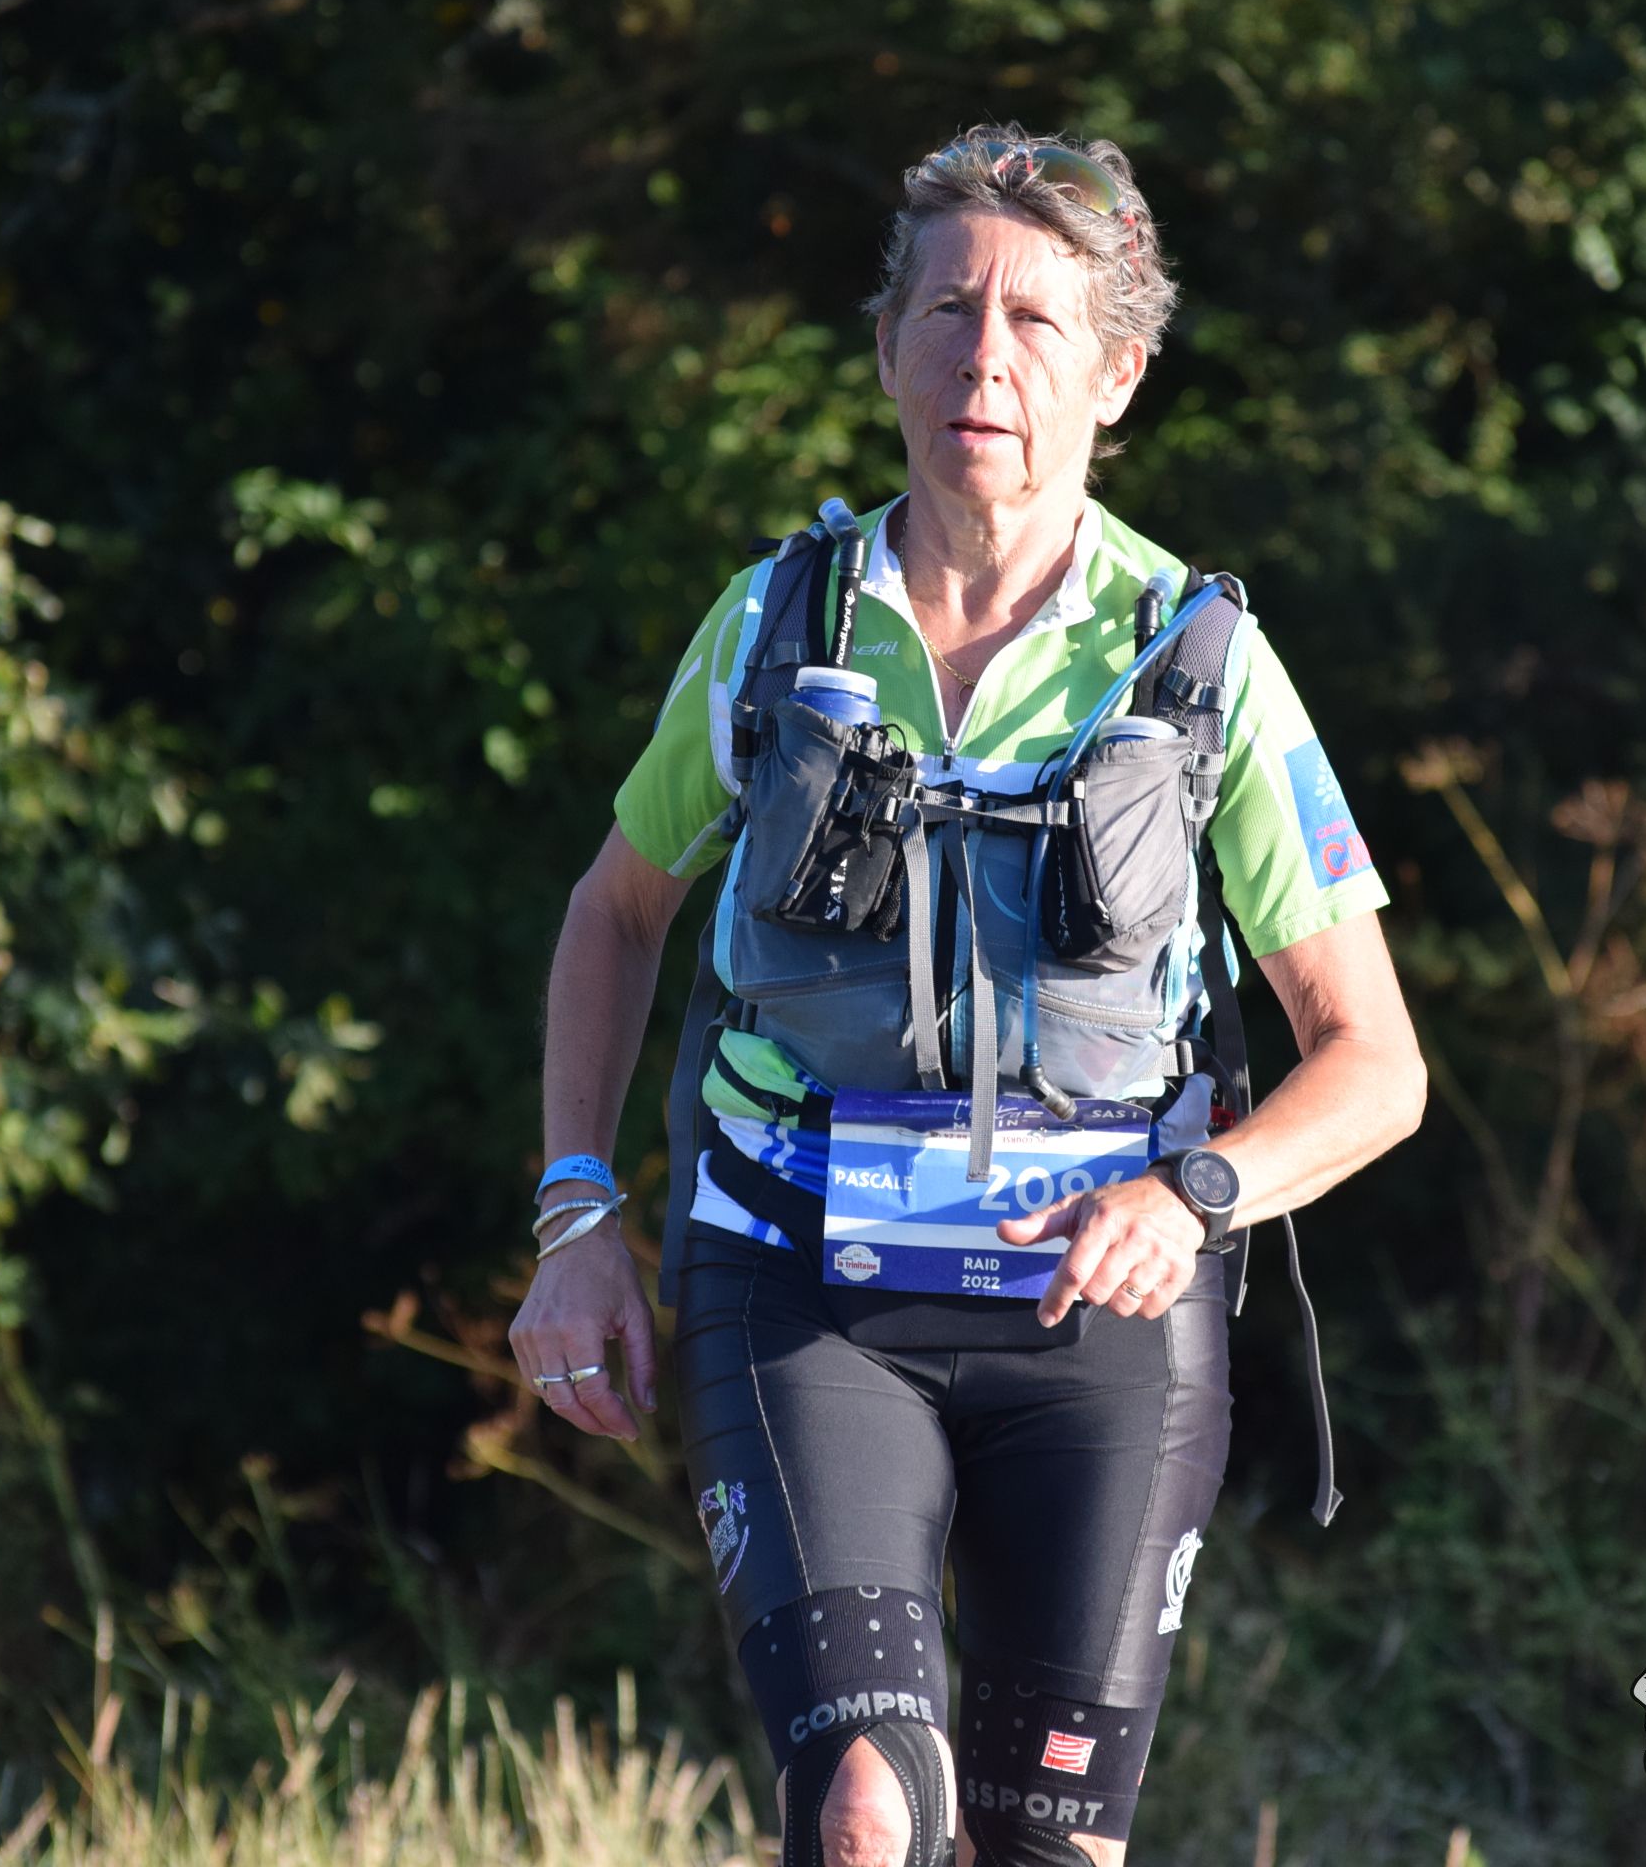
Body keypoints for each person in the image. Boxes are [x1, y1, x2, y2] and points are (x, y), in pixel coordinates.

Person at [510, 123, 1429, 1867]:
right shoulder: (777, 623)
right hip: (801, 1285)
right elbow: (615, 914)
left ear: (1117, 376)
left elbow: (1375, 1064)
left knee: (1046, 1851)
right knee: (868, 1816)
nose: (981, 360)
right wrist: (576, 1215)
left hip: (1099, 1320)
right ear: (885, 352)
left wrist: (1198, 1192)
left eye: (1033, 322)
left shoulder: (1202, 658)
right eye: (944, 313)